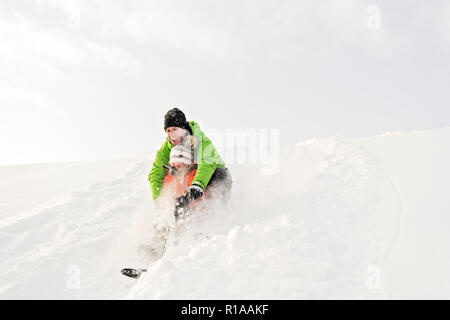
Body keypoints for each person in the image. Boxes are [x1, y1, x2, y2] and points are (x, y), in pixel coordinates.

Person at [148, 108, 232, 217]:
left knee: (219, 174)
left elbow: (207, 164)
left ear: (183, 129)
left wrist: (194, 189)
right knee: (170, 178)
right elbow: (155, 174)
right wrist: (161, 203)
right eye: (168, 131)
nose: (171, 135)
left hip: (211, 178)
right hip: (188, 179)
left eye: (175, 129)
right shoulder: (166, 148)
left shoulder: (200, 140)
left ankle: (215, 216)